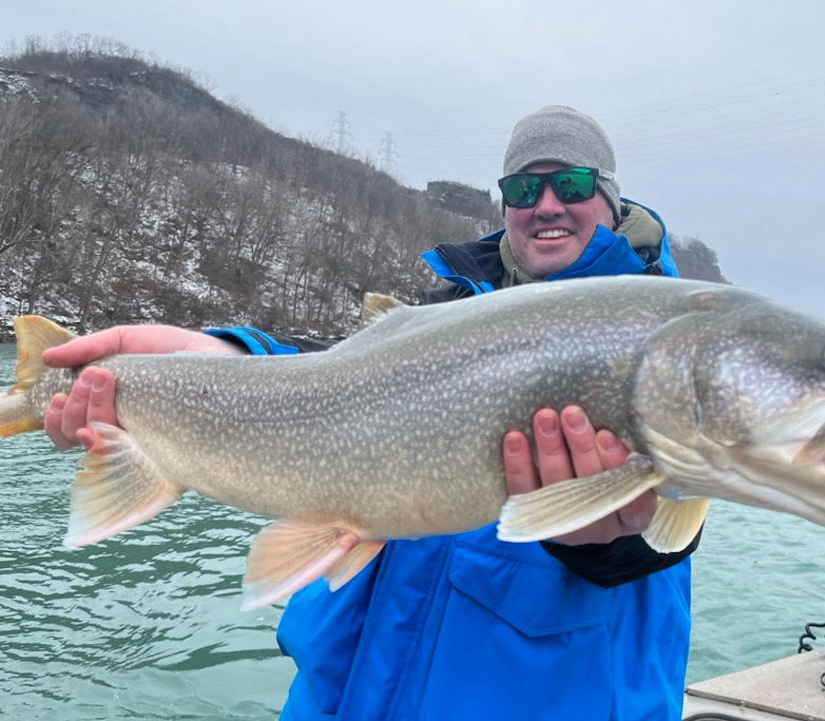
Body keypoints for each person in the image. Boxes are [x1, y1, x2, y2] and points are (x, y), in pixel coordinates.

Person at [42, 105, 699, 720]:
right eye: (523, 190)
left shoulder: (659, 334)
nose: (546, 204)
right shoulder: (442, 309)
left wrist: (603, 539)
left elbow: (663, 535)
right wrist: (219, 352)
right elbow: (335, 371)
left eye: (572, 183)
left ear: (611, 201)